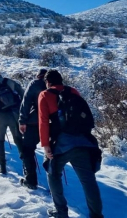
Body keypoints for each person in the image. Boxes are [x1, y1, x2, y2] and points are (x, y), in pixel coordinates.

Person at [38, 69, 103, 218]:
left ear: (48, 82)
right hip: (84, 142)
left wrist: (46, 145)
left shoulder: (45, 94)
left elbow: (43, 121)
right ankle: (96, 215)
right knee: (88, 181)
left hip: (61, 144)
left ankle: (61, 212)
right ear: (61, 80)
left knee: (53, 174)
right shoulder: (73, 91)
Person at [18, 68, 47, 189]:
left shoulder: (34, 84)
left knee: (28, 151)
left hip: (35, 122)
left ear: (38, 75)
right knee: (52, 152)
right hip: (52, 123)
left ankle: (30, 180)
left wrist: (22, 121)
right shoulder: (56, 85)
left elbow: (26, 103)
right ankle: (55, 184)